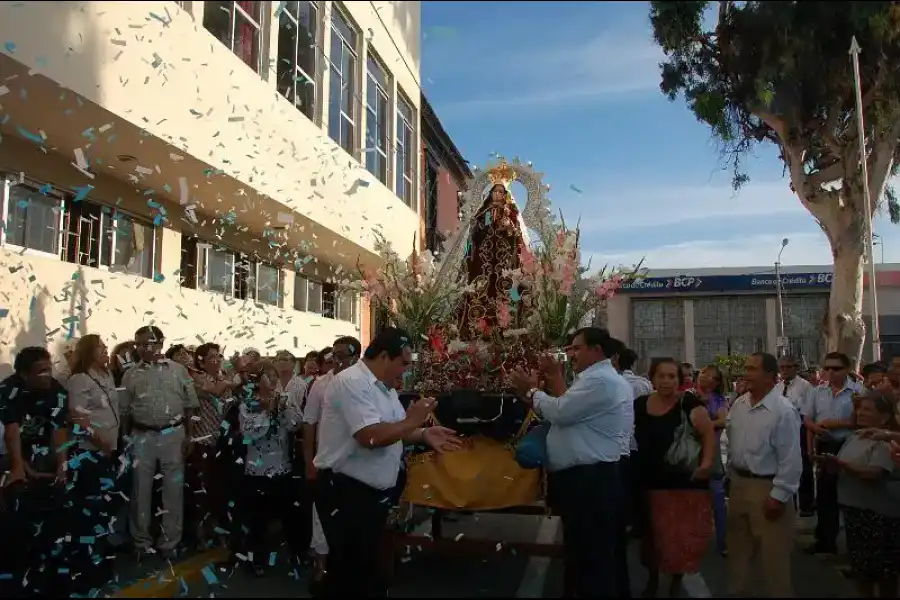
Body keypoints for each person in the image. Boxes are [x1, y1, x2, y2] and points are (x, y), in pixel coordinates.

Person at [314, 328, 462, 597]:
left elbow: (394, 432)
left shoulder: (384, 388)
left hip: (371, 495)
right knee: (350, 575)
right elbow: (370, 436)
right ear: (384, 356)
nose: (404, 372)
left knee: (366, 570)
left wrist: (423, 434)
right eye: (402, 363)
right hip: (346, 491)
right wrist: (412, 421)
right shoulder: (351, 383)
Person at [511, 327, 633, 598]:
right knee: (589, 555)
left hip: (591, 481)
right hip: (588, 479)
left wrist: (531, 391)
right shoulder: (593, 378)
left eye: (577, 348)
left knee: (593, 558)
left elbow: (560, 411)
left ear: (596, 351)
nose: (571, 354)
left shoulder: (601, 381)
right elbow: (565, 408)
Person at [634, 358, 716, 597]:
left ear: (680, 380)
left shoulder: (688, 403)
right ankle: (652, 580)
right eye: (662, 376)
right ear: (652, 378)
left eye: (672, 376)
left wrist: (707, 464)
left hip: (683, 484)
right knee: (651, 538)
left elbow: (708, 433)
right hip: (648, 482)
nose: (667, 381)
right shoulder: (640, 404)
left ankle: (674, 584)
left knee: (678, 539)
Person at [726, 352, 802, 597]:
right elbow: (730, 440)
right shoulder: (739, 404)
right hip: (738, 485)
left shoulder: (783, 411)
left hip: (766, 488)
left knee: (773, 560)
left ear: (770, 375)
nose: (745, 374)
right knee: (739, 554)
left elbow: (791, 458)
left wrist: (778, 495)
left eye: (752, 369)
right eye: (745, 368)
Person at [121, 325, 200, 559]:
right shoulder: (130, 374)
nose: (145, 348)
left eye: (150, 343)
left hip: (173, 435)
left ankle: (169, 543)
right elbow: (124, 410)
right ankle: (141, 541)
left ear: (161, 344)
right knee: (140, 490)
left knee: (173, 490)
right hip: (141, 436)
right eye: (140, 344)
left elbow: (190, 406)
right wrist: (126, 440)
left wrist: (190, 436)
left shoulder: (179, 371)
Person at [0, 347, 70, 596]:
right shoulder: (8, 391)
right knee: (18, 528)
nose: (47, 375)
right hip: (15, 461)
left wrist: (62, 465)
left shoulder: (56, 390)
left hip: (46, 461)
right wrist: (19, 466)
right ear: (23, 374)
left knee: (54, 525)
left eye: (49, 369)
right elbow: (11, 431)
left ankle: (52, 581)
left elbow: (59, 429)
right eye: (40, 372)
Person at [821, 391, 900, 598]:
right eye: (859, 408)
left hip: (878, 516)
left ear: (884, 417)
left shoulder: (884, 440)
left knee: (883, 574)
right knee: (861, 573)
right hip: (854, 512)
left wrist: (843, 465)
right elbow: (840, 467)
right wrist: (831, 465)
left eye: (867, 409)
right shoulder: (854, 436)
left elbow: (874, 473)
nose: (860, 413)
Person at [66, 334, 122, 593]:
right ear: (89, 351)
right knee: (90, 512)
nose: (105, 351)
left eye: (105, 347)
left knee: (106, 510)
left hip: (107, 453)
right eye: (100, 347)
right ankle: (87, 569)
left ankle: (103, 564)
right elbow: (78, 418)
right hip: (89, 455)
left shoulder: (107, 376)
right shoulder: (79, 380)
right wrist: (100, 442)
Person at [804, 351, 859, 555]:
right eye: (827, 368)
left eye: (836, 368)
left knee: (850, 495)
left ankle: (856, 548)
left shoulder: (857, 392)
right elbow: (808, 418)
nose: (831, 372)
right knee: (825, 495)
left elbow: (860, 422)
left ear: (847, 369)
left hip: (848, 445)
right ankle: (825, 541)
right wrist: (814, 434)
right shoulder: (817, 392)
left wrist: (836, 423)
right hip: (824, 446)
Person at [457, 182, 526, 339]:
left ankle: (508, 325)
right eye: (495, 191)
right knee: (480, 290)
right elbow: (478, 233)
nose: (497, 194)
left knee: (510, 291)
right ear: (490, 194)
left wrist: (509, 228)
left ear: (505, 195)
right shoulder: (485, 213)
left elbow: (517, 238)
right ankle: (478, 327)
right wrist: (479, 227)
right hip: (484, 260)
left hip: (504, 261)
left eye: (501, 192)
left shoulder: (511, 213)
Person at [697, 364, 729, 556]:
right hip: (692, 453)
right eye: (702, 373)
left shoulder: (718, 400)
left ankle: (722, 541)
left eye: (709, 375)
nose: (704, 377)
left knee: (717, 495)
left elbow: (723, 420)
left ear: (716, 382)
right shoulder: (690, 397)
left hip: (713, 451)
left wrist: (704, 425)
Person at [778, 355, 815, 516]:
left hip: (800, 427)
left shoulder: (805, 387)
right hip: (782, 429)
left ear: (796, 368)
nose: (784, 371)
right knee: (785, 467)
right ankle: (788, 503)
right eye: (782, 367)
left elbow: (808, 411)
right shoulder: (778, 387)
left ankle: (806, 505)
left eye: (788, 367)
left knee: (804, 467)